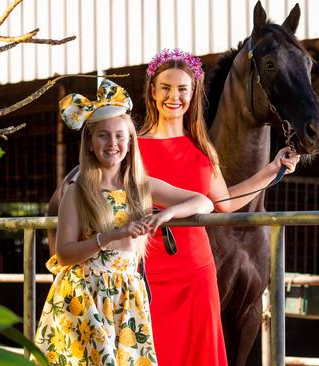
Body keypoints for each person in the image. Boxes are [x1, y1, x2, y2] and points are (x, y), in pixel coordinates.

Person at [137, 48, 301, 365]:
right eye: (166, 88)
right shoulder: (132, 148)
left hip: (197, 271)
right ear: (152, 92)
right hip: (148, 269)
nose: (174, 97)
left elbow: (222, 204)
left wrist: (272, 170)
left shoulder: (202, 149)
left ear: (193, 92)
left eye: (182, 89)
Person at [34, 79, 214, 366]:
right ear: (90, 144)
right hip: (85, 293)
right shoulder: (77, 192)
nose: (112, 143)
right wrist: (111, 235)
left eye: (120, 136)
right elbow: (65, 254)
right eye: (103, 136)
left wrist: (164, 215)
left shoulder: (142, 187)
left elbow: (205, 202)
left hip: (126, 293)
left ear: (130, 143)